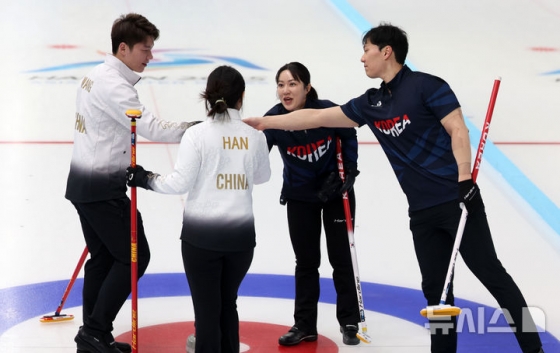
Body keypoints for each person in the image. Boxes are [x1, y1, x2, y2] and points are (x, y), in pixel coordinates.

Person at [243, 24, 544, 353]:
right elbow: (317, 117)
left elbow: (457, 128)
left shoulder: (426, 86)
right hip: (422, 213)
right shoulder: (371, 103)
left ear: (386, 51)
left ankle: (533, 347)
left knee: (493, 276)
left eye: (367, 49)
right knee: (437, 293)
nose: (362, 57)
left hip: (456, 201)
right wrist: (266, 122)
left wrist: (463, 179)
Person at [65, 13, 200, 353]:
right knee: (134, 257)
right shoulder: (114, 85)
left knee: (105, 258)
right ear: (123, 48)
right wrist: (194, 128)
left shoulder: (98, 74)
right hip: (100, 187)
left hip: (87, 184)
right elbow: (150, 127)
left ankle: (94, 336)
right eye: (145, 49)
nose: (150, 56)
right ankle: (94, 331)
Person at [126, 65, 271, 353]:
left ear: (208, 96)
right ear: (241, 98)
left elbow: (178, 183)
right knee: (227, 303)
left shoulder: (197, 135)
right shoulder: (254, 136)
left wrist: (144, 178)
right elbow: (262, 177)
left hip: (201, 239)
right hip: (241, 241)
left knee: (207, 311)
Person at [262, 62, 361, 346]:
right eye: (281, 84)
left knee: (341, 257)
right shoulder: (275, 119)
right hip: (299, 197)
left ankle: (350, 320)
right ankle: (304, 324)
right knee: (306, 262)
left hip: (336, 194)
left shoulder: (327, 110)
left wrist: (350, 170)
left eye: (292, 84)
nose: (285, 90)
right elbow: (259, 152)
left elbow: (348, 132)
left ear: (307, 87)